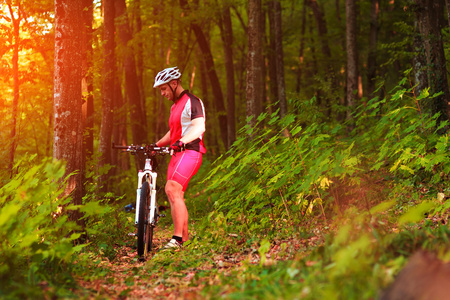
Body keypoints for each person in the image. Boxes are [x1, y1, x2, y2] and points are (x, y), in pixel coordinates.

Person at [152, 66, 206, 250]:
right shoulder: (175, 107)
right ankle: (185, 239)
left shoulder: (193, 101)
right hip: (176, 154)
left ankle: (177, 239)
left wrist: (181, 142)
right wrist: (156, 145)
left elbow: (199, 128)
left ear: (174, 84)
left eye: (164, 89)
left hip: (190, 151)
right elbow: (173, 132)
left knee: (171, 188)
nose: (162, 93)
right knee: (176, 194)